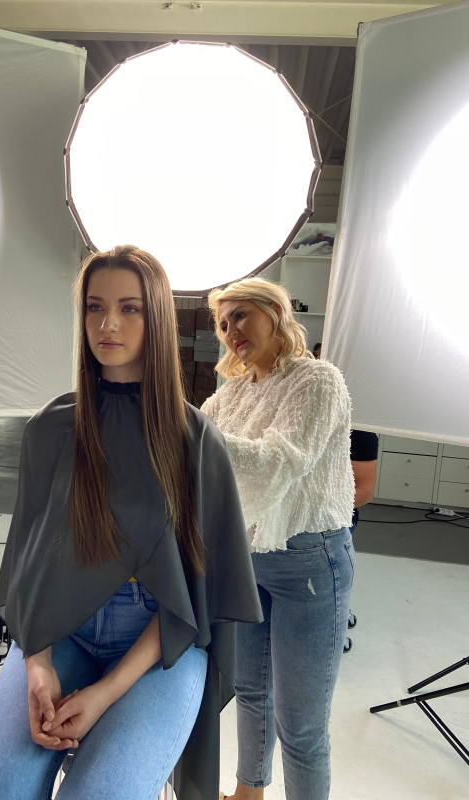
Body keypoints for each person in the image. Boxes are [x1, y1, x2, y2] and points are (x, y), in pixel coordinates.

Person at [0, 246, 262, 800]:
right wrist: (37, 665)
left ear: (157, 318)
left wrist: (104, 694)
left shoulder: (195, 442)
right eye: (95, 307)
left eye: (129, 308)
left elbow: (192, 597)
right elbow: (28, 562)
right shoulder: (51, 428)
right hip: (61, 631)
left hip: (156, 645)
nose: (107, 324)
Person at [200, 277, 355, 800]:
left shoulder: (318, 381)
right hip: (249, 559)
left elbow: (274, 465)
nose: (231, 331)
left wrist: (190, 431)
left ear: (275, 312)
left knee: (301, 724)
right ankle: (249, 793)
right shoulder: (232, 393)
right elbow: (193, 454)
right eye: (223, 323)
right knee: (250, 690)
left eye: (241, 315)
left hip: (311, 563)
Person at [343, 429, 378, 651]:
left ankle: (337, 624)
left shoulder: (361, 432)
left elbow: (364, 491)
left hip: (334, 522)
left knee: (335, 580)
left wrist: (315, 510)